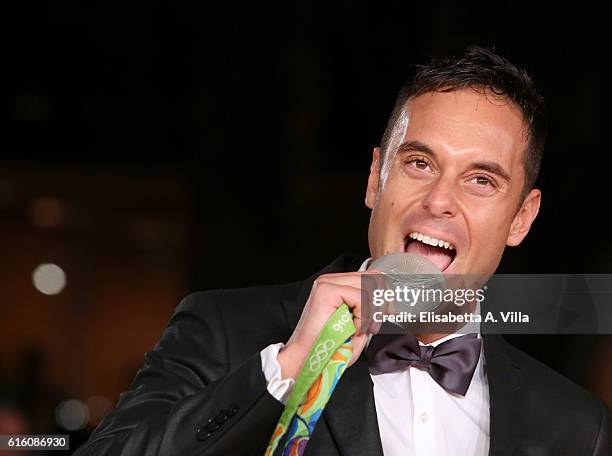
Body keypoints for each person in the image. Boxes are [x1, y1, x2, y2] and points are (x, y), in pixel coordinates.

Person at [74, 46, 611, 455]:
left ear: (521, 217)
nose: (439, 201)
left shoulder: (578, 426)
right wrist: (287, 369)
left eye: (480, 180)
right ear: (377, 177)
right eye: (419, 163)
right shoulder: (225, 330)